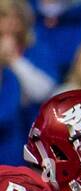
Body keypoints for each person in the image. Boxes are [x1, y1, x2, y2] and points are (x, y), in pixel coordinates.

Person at [0, 0, 56, 164]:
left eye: (16, 17)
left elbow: (42, 91)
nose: (10, 22)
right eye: (4, 16)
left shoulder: (36, 50)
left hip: (25, 134)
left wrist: (14, 60)